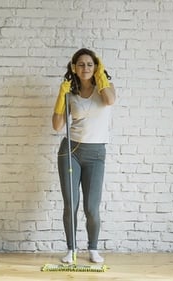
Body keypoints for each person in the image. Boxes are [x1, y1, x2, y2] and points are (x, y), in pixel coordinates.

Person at [52, 48, 116, 264]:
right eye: (81, 64)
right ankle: (71, 250)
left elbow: (110, 101)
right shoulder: (70, 92)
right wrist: (62, 95)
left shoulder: (104, 89)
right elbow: (57, 125)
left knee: (91, 207)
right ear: (74, 68)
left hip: (96, 153)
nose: (85, 68)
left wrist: (101, 74)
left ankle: (93, 249)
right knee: (71, 203)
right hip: (71, 151)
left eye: (90, 64)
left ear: (96, 66)